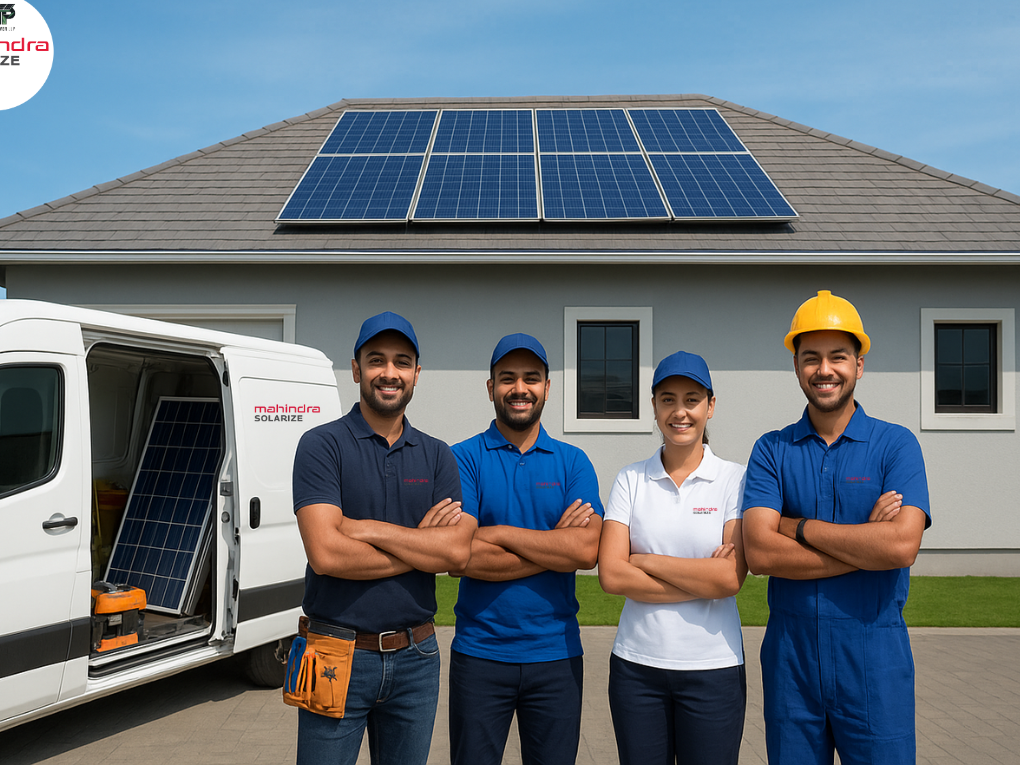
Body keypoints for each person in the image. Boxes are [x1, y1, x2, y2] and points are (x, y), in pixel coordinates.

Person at [742, 290, 932, 765]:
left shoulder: (896, 445)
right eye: (811, 358)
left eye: (837, 357)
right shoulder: (771, 450)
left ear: (859, 365)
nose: (824, 370)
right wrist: (864, 545)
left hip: (874, 654)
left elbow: (901, 545)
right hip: (792, 659)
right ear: (797, 367)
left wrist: (798, 526)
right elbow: (762, 555)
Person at [291, 311, 476, 765]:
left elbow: (455, 552)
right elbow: (327, 554)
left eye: (402, 362)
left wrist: (368, 529)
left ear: (416, 374)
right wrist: (420, 546)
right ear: (356, 369)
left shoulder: (437, 456)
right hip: (330, 648)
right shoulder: (321, 445)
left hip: (417, 656)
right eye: (376, 360)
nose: (389, 373)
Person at [448, 333, 602, 765]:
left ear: (548, 387)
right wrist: (554, 543)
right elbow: (459, 556)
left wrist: (496, 534)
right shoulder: (463, 459)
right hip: (479, 654)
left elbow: (587, 550)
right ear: (491, 387)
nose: (520, 388)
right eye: (507, 378)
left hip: (556, 657)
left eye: (531, 378)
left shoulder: (573, 462)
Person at [597, 351, 748, 765]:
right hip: (636, 668)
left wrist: (644, 561)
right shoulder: (630, 478)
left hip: (714, 669)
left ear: (710, 406)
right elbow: (611, 575)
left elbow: (729, 579)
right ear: (654, 406)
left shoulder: (734, 479)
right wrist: (702, 579)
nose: (679, 412)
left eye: (692, 399)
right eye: (668, 400)